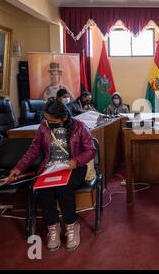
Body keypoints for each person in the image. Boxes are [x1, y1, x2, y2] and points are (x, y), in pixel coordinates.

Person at [9, 100, 95, 251]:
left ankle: (71, 225)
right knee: (44, 189)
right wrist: (19, 167)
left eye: (52, 120)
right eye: (46, 119)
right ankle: (53, 228)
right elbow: (33, 151)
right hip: (51, 168)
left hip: (74, 167)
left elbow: (90, 150)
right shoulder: (43, 127)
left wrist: (76, 161)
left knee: (64, 188)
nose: (48, 122)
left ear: (63, 117)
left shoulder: (79, 127)